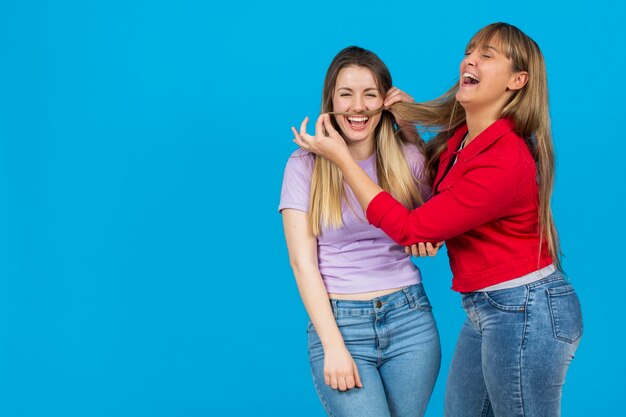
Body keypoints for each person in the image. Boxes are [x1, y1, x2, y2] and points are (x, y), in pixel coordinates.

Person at [294, 23, 582, 417]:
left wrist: (343, 160)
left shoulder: (504, 160)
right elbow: (437, 198)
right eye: (470, 51)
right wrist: (409, 128)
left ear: (518, 80)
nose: (470, 59)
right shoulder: (464, 140)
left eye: (487, 55)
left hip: (526, 309)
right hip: (486, 308)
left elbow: (414, 228)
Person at [280, 46, 441, 417]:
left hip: (410, 320)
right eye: (346, 94)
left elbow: (436, 222)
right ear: (330, 101)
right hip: (341, 322)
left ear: (385, 101)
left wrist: (412, 127)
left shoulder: (408, 158)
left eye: (370, 94)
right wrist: (333, 345)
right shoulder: (304, 165)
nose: (358, 106)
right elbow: (302, 264)